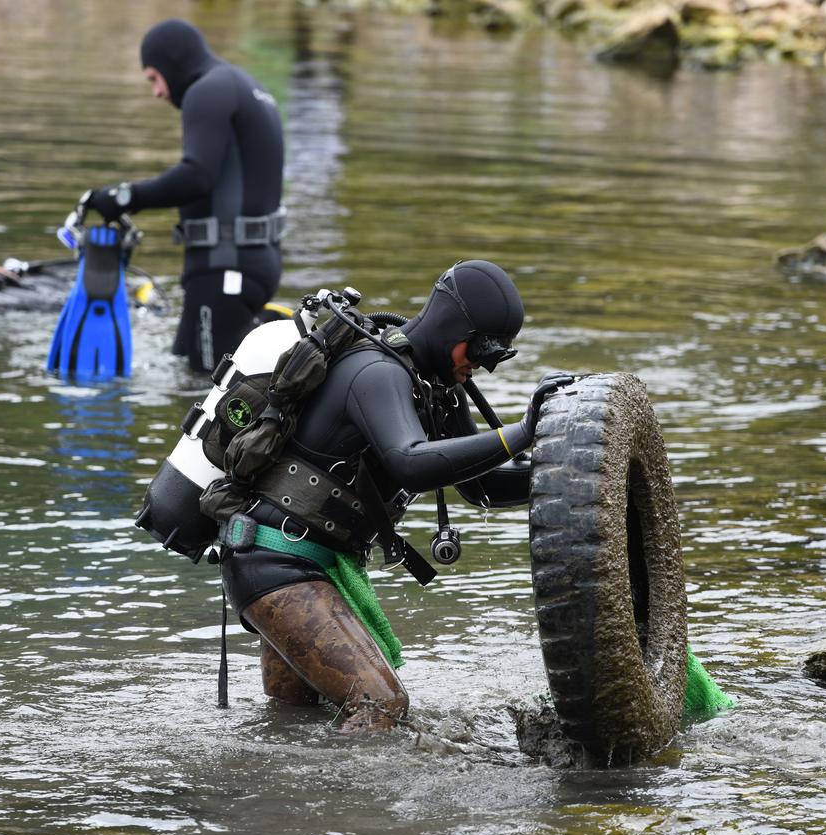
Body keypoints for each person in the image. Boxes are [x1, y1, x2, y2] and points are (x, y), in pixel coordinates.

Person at [218, 260, 573, 730]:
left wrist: (570, 476)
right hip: (276, 560)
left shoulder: (438, 390)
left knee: (293, 724)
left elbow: (481, 486)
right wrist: (522, 432)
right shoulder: (378, 373)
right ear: (454, 331)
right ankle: (353, 806)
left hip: (302, 567)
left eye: (498, 356)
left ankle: (277, 799)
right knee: (379, 706)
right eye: (482, 349)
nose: (482, 365)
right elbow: (410, 461)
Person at [84, 19, 285, 373]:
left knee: (208, 393)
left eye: (154, 77)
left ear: (173, 62)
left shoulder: (207, 90)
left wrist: (124, 197)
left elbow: (197, 175)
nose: (157, 92)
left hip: (226, 269)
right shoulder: (247, 85)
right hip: (250, 264)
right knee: (183, 368)